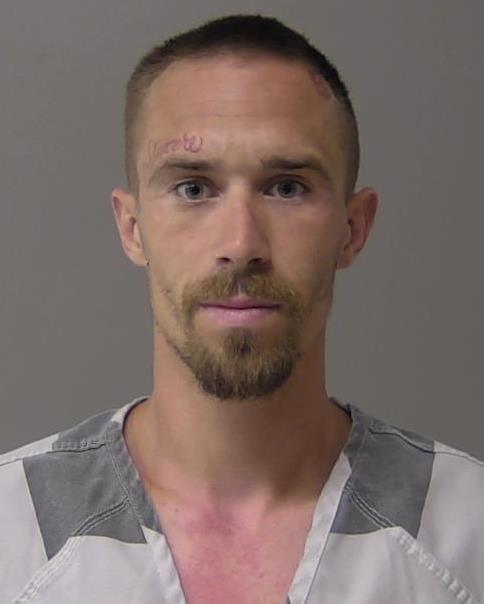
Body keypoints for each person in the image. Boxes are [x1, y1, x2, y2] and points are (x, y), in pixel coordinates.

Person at [1, 13, 483, 604]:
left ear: (353, 228)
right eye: (193, 188)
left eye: (286, 187)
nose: (241, 244)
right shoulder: (13, 531)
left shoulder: (467, 531)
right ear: (131, 228)